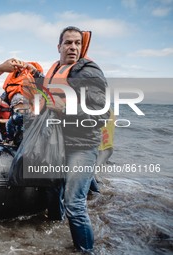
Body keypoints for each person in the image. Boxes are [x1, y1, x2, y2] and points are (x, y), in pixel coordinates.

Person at [41, 26, 109, 253]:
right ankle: (52, 234)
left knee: (75, 203)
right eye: (68, 43)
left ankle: (85, 251)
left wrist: (66, 108)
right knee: (53, 190)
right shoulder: (56, 70)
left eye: (77, 43)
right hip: (55, 143)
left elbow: (102, 110)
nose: (73, 47)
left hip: (82, 145)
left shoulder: (88, 71)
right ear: (59, 46)